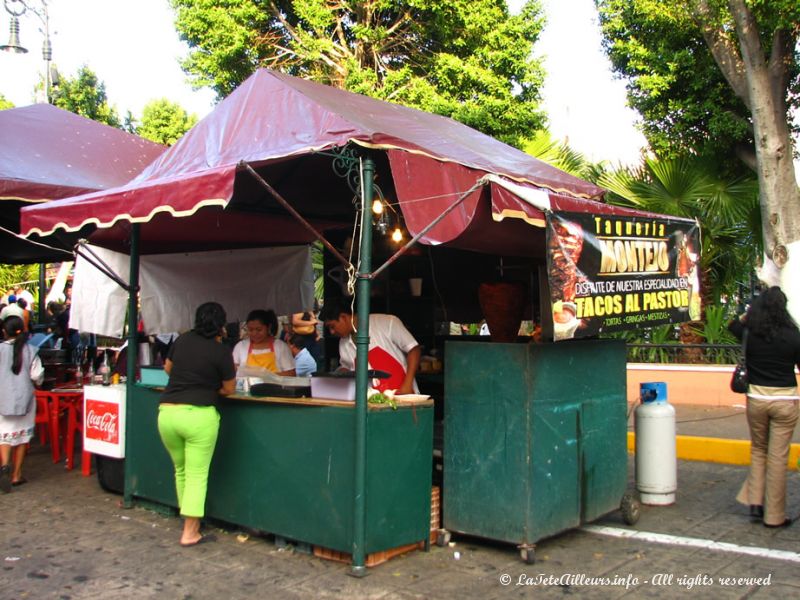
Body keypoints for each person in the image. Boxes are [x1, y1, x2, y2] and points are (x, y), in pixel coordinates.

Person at [158, 302, 236, 546]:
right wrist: (208, 385)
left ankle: (189, 521)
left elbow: (168, 368)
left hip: (167, 414)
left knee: (181, 470)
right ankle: (190, 532)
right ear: (221, 325)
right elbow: (229, 389)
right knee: (197, 475)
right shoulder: (221, 351)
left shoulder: (182, 340)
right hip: (199, 416)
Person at [729, 286, 800, 527]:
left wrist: (748, 314)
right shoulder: (793, 335)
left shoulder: (749, 332)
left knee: (758, 450)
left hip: (756, 401)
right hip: (784, 401)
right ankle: (774, 516)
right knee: (778, 458)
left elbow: (732, 324)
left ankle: (755, 505)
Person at [319, 297, 421, 394]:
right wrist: (338, 374)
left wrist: (407, 384)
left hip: (405, 395)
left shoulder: (387, 323)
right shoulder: (343, 343)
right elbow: (347, 368)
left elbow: (414, 350)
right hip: (372, 401)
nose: (332, 332)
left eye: (332, 326)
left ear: (344, 317)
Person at [0, 316, 45, 492]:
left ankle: (4, 465)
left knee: (4, 435)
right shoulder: (31, 350)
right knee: (21, 438)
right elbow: (37, 376)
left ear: (4, 331)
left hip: (2, 400)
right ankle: (16, 475)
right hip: (25, 400)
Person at [231, 309, 294, 375]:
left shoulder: (280, 346)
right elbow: (233, 371)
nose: (254, 333)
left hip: (273, 385)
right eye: (250, 330)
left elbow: (291, 373)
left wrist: (270, 377)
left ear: (268, 327)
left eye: (259, 330)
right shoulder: (240, 346)